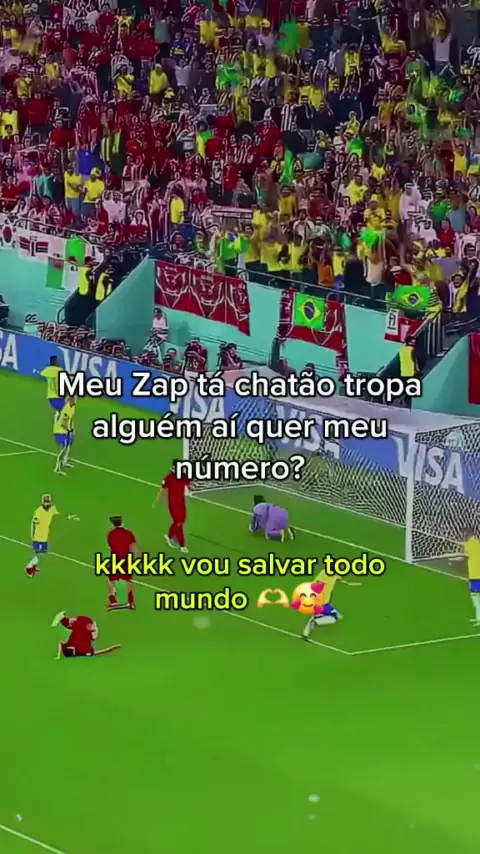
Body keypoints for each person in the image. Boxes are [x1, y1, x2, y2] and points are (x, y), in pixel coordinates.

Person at [25, 494, 78, 577]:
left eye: (48, 502)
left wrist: (68, 516)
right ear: (42, 502)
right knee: (39, 554)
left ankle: (33, 565)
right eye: (45, 502)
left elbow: (59, 513)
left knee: (43, 553)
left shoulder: (52, 509)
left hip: (45, 537)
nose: (47, 504)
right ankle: (29, 569)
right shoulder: (38, 512)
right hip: (38, 537)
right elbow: (33, 524)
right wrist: (32, 536)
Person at [51, 612, 120, 659]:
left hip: (83, 628)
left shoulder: (85, 650)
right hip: (84, 628)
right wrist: (110, 649)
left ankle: (63, 618)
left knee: (77, 625)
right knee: (79, 625)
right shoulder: (85, 650)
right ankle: (63, 618)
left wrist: (110, 649)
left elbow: (61, 643)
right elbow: (61, 643)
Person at [156, 461, 191, 553]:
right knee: (178, 523)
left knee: (181, 521)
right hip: (173, 504)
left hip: (181, 503)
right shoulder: (169, 477)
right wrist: (158, 500)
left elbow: (188, 484)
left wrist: (189, 490)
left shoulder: (184, 476)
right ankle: (182, 545)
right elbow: (162, 489)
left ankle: (169, 536)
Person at [106, 516, 138, 610]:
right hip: (127, 559)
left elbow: (111, 546)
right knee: (129, 581)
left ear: (112, 524)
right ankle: (131, 602)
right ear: (122, 523)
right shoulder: (128, 533)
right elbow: (132, 546)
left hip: (115, 559)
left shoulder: (111, 534)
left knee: (111, 579)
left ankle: (113, 600)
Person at [53, 396, 76, 475]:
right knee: (63, 449)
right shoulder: (66, 408)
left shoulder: (73, 407)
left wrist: (72, 428)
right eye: (74, 399)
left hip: (66, 430)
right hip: (60, 430)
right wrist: (69, 429)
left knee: (67, 446)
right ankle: (57, 468)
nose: (76, 400)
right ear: (71, 400)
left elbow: (71, 419)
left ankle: (64, 463)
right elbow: (63, 422)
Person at [464, 527, 480, 625]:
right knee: (475, 598)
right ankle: (478, 617)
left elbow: (465, 555)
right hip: (475, 575)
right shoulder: (477, 543)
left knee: (476, 598)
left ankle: (479, 619)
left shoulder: (469, 544)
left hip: (475, 576)